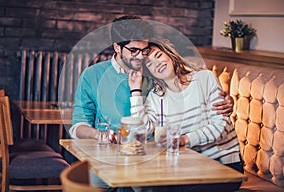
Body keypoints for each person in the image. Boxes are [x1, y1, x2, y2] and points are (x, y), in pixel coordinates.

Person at [69, 15, 235, 190]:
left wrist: (227, 101)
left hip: (154, 160)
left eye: (145, 49)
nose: (140, 56)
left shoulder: (155, 77)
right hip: (110, 158)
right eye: (134, 50)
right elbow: (77, 125)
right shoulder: (93, 75)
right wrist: (99, 135)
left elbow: (183, 90)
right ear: (117, 47)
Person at [128, 38, 243, 192]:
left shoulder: (204, 78)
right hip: (188, 166)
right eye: (149, 64)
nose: (157, 63)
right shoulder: (156, 97)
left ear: (169, 55)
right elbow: (142, 130)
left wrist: (184, 140)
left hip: (224, 165)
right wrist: (135, 92)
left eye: (159, 56)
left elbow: (220, 127)